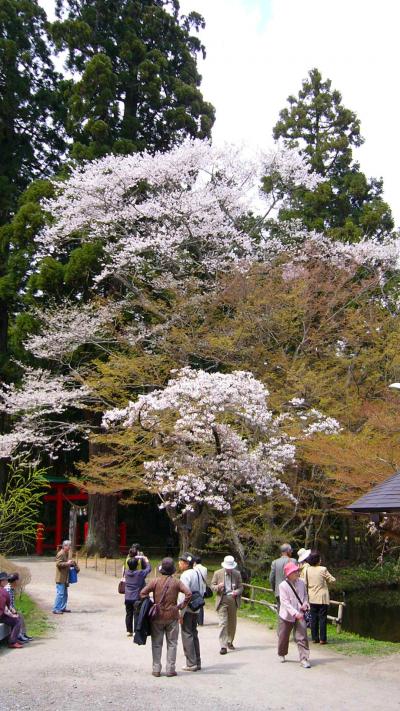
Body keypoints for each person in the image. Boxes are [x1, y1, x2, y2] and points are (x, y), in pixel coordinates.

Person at [140, 557, 192, 677]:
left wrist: (151, 603)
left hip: (157, 616)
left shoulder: (155, 581)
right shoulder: (176, 582)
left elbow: (142, 593)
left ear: (161, 569)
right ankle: (170, 669)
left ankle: (156, 669)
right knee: (172, 643)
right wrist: (181, 606)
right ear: (172, 570)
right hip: (172, 615)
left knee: (157, 643)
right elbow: (189, 593)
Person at [278, 561, 311, 668]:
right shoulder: (282, 586)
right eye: (295, 571)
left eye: (297, 571)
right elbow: (285, 602)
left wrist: (305, 604)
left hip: (300, 614)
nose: (297, 573)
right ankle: (282, 653)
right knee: (284, 636)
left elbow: (305, 595)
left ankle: (304, 658)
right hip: (287, 615)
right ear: (289, 574)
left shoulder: (301, 582)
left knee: (302, 636)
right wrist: (295, 613)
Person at [211, 555, 243, 655]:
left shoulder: (237, 574)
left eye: (231, 568)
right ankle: (223, 645)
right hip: (222, 599)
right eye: (227, 568)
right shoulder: (217, 573)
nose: (229, 570)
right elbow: (212, 586)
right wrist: (218, 587)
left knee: (232, 623)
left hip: (233, 600)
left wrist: (236, 592)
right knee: (223, 623)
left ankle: (230, 641)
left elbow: (241, 587)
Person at [178, 552, 205, 671]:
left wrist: (180, 613)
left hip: (188, 608)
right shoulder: (197, 573)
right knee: (194, 633)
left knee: (187, 634)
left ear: (186, 564)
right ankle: (197, 661)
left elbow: (183, 595)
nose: (179, 564)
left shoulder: (185, 575)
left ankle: (191, 663)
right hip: (197, 606)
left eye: (181, 562)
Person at [305, 550, 336, 645]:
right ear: (318, 560)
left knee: (313, 618)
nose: (321, 560)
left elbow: (305, 583)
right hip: (322, 598)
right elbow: (332, 580)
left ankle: (314, 638)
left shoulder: (307, 570)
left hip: (312, 597)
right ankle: (323, 639)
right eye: (320, 558)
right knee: (322, 618)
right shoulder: (323, 569)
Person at [124, 555, 151, 636]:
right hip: (136, 597)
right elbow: (148, 569)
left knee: (129, 614)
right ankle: (136, 630)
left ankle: (129, 631)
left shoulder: (126, 572)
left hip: (127, 597)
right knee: (136, 614)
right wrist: (146, 561)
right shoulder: (139, 573)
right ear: (137, 565)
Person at [52, 540, 80, 614]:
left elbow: (67, 563)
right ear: (64, 546)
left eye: (70, 545)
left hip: (65, 578)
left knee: (65, 594)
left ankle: (62, 608)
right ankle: (56, 609)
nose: (70, 547)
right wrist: (67, 563)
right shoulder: (60, 553)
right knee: (60, 594)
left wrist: (71, 563)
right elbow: (58, 564)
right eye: (69, 546)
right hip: (60, 577)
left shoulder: (67, 553)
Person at [6, 573, 33, 643]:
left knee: (21, 615)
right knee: (18, 617)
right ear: (15, 581)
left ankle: (23, 634)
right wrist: (13, 611)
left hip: (10, 609)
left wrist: (14, 609)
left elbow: (11, 603)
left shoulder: (11, 588)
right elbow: (8, 604)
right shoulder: (8, 589)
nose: (19, 581)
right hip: (7, 610)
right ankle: (19, 636)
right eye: (18, 580)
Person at [269, 543, 296, 611]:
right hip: (291, 592)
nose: (292, 552)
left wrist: (275, 589)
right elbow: (296, 577)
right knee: (291, 613)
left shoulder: (274, 562)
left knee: (280, 613)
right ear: (288, 551)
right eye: (291, 551)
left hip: (279, 591)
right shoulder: (293, 561)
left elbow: (271, 579)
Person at [0, 572, 23, 648]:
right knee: (17, 621)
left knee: (17, 618)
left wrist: (13, 612)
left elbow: (7, 606)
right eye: (5, 580)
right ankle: (12, 642)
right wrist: (13, 615)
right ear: (2, 581)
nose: (6, 581)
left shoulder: (3, 590)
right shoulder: (3, 592)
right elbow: (5, 608)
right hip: (1, 615)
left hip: (2, 614)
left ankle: (14, 639)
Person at [193, 555, 208, 626]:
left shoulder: (194, 568)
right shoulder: (205, 568)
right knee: (201, 604)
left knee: (195, 604)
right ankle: (201, 621)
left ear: (195, 562)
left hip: (196, 588)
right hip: (203, 588)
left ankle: (195, 620)